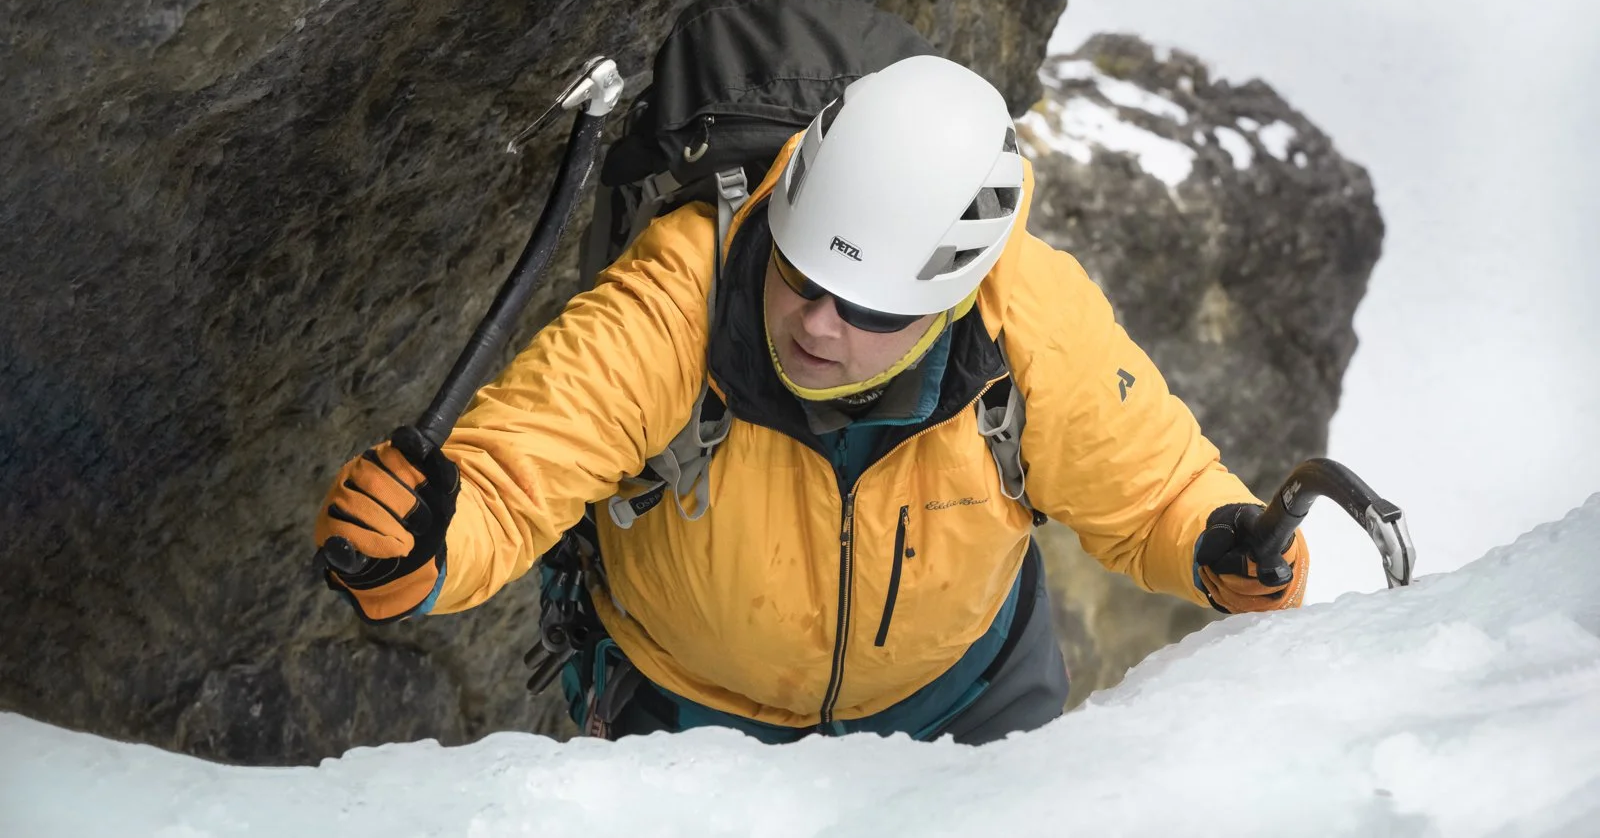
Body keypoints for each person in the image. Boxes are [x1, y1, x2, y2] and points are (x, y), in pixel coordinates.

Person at [312, 54, 1308, 744]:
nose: (817, 326)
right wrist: (428, 544)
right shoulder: (675, 298)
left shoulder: (1029, 320)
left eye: (868, 309)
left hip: (961, 706)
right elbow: (518, 466)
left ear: (950, 295)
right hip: (692, 723)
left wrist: (1222, 540)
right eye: (799, 279)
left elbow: (1152, 491)